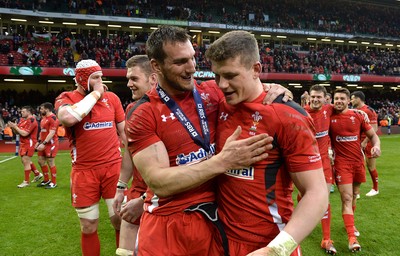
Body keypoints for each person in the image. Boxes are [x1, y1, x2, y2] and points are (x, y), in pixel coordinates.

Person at [125, 25, 274, 256]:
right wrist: (223, 162)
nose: (191, 68)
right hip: (167, 226)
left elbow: (251, 89)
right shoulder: (143, 113)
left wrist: (276, 91)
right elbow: (159, 182)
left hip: (213, 222)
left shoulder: (213, 93)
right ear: (156, 66)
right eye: (180, 62)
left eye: (193, 59)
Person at [205, 30, 328, 256]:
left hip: (268, 245)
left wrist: (276, 250)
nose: (222, 85)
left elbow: (317, 192)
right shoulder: (217, 102)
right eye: (217, 76)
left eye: (231, 75)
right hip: (219, 240)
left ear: (256, 70)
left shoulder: (287, 115)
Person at [55, 59, 126, 256]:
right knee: (88, 225)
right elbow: (68, 118)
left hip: (113, 168)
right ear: (81, 79)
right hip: (84, 172)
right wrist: (96, 94)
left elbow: (125, 133)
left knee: (120, 219)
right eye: (95, 78)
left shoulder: (112, 99)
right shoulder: (66, 98)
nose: (100, 82)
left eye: (101, 77)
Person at [113, 55, 157, 256]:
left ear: (153, 79)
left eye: (134, 79)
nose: (129, 84)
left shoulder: (169, 112)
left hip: (157, 197)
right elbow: (130, 151)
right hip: (137, 192)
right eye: (128, 78)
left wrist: (144, 199)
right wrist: (121, 188)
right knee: (124, 252)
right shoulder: (132, 108)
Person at [330, 88, 381, 252]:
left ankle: (349, 225)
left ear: (348, 101)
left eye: (342, 98)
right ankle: (352, 238)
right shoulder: (329, 117)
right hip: (341, 164)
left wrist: (377, 146)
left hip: (358, 163)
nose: (338, 101)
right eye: (336, 98)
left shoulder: (358, 116)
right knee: (346, 197)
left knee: (354, 196)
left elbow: (373, 135)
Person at [300, 85, 336, 254]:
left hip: (324, 164)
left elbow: (344, 109)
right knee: (306, 195)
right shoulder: (301, 112)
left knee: (324, 199)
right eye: (313, 97)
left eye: (318, 97)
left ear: (325, 99)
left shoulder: (329, 110)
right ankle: (302, 212)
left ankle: (326, 239)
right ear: (309, 98)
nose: (315, 100)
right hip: (306, 164)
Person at [350, 91, 380, 197]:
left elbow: (374, 128)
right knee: (356, 165)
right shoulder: (355, 110)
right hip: (357, 142)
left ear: (359, 99)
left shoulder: (369, 110)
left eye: (353, 98)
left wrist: (365, 141)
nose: (351, 100)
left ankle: (375, 188)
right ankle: (356, 191)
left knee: (370, 166)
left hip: (367, 143)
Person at [8, 106, 42, 188]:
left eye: (23, 111)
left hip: (29, 142)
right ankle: (37, 174)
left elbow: (24, 133)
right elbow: (17, 133)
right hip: (23, 143)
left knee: (26, 161)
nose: (21, 113)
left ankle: (26, 181)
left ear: (29, 112)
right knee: (24, 161)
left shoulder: (32, 120)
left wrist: (15, 127)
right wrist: (13, 127)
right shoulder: (23, 120)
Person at [35, 102, 59, 189]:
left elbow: (52, 132)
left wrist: (44, 143)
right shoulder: (43, 118)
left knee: (50, 162)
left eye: (42, 109)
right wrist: (38, 141)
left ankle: (54, 182)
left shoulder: (53, 118)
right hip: (43, 143)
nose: (40, 110)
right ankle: (46, 180)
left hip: (51, 143)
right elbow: (42, 131)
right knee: (40, 161)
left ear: (47, 109)